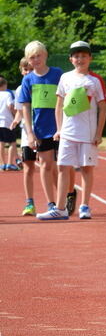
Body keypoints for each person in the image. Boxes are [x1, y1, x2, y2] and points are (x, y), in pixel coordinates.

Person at [37, 41, 106, 220]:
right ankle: (60, 209)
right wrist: (59, 129)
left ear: (90, 58)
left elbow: (103, 107)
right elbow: (59, 105)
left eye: (84, 56)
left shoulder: (95, 80)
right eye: (76, 56)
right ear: (70, 59)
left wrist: (99, 133)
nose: (80, 59)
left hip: (87, 134)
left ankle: (85, 206)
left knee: (86, 169)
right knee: (62, 167)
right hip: (67, 133)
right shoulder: (65, 78)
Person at [18, 41, 62, 210]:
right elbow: (25, 107)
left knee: (62, 166)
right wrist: (30, 133)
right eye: (32, 57)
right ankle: (52, 203)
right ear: (28, 60)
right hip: (41, 129)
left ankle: (64, 198)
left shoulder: (58, 74)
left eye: (38, 55)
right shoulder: (28, 80)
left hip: (60, 127)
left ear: (45, 55)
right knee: (46, 165)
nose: (36, 59)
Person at [12, 59, 37, 214]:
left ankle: (58, 199)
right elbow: (20, 111)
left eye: (30, 69)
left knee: (50, 167)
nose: (27, 72)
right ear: (21, 71)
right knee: (28, 167)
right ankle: (29, 203)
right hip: (27, 132)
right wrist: (15, 121)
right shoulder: (20, 89)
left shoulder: (41, 85)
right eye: (25, 69)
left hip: (44, 131)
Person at [0, 77, 19, 171]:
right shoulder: (7, 94)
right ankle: (10, 163)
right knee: (12, 142)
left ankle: (2, 163)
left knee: (1, 142)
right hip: (7, 121)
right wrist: (17, 114)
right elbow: (10, 106)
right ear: (4, 85)